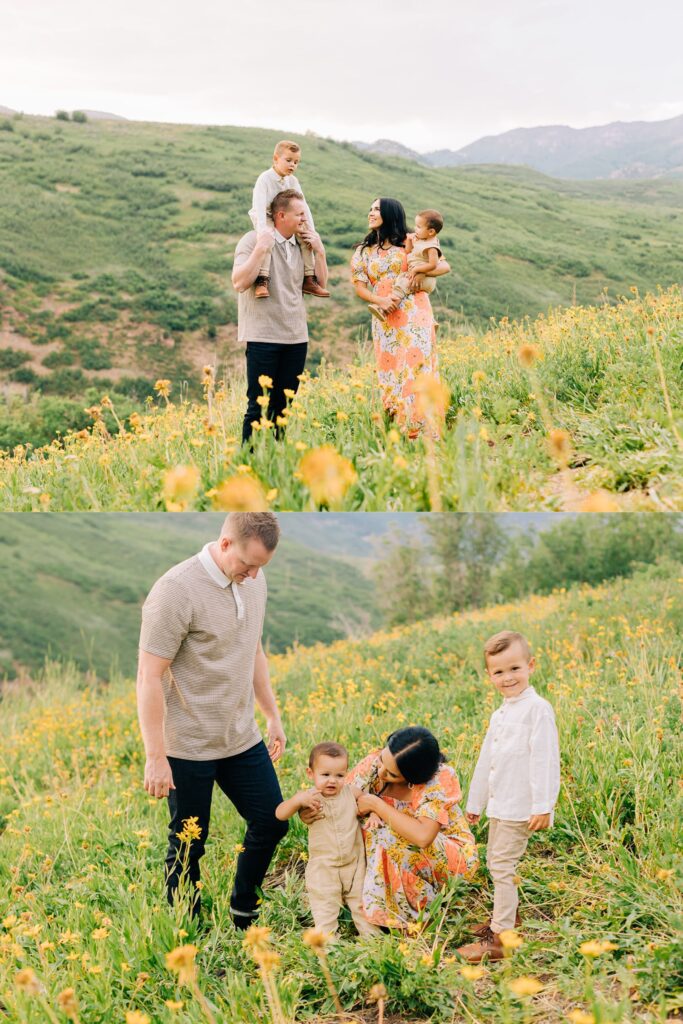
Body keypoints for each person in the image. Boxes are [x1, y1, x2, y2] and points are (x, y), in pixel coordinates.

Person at [136, 512, 288, 929]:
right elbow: (148, 675)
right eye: (247, 564)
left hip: (241, 737)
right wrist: (156, 756)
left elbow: (253, 650)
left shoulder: (253, 579)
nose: (254, 575)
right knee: (189, 844)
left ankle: (243, 908)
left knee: (271, 821)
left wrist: (272, 715)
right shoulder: (175, 591)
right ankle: (187, 928)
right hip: (187, 747)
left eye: (262, 567)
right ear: (225, 545)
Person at [456, 630, 560, 963]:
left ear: (530, 666)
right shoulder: (500, 714)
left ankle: (500, 939)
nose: (507, 677)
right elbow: (487, 761)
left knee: (501, 865)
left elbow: (545, 759)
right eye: (499, 672)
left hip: (521, 806)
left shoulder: (537, 710)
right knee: (496, 862)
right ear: (489, 676)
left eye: (514, 668)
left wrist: (544, 806)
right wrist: (476, 803)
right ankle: (508, 917)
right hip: (500, 804)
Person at [325, 727, 478, 930]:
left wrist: (376, 805)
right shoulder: (375, 763)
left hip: (451, 859)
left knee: (383, 831)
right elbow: (342, 800)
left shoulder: (438, 780)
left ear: (414, 777)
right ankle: (372, 902)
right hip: (398, 850)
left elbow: (423, 836)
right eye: (382, 760)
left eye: (392, 774)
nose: (381, 772)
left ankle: (415, 917)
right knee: (366, 827)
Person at [233, 189, 329, 444]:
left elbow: (319, 282)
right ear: (281, 215)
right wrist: (261, 250)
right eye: (299, 215)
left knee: (283, 407)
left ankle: (275, 462)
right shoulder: (252, 240)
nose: (304, 220)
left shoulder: (302, 245)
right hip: (263, 336)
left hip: (296, 338)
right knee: (258, 407)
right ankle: (249, 465)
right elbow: (239, 282)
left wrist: (320, 251)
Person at [350, 198, 450, 435]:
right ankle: (399, 425)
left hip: (415, 309)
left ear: (390, 213)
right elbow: (359, 286)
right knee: (391, 367)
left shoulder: (412, 240)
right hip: (384, 314)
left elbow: (444, 266)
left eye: (377, 209)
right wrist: (379, 300)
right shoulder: (363, 250)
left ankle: (423, 427)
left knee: (417, 363)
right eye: (370, 208)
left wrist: (418, 271)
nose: (371, 212)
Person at [276, 742, 379, 938]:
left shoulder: (351, 792)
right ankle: (328, 946)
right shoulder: (309, 798)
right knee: (325, 907)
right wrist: (297, 801)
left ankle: (372, 940)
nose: (332, 781)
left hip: (354, 864)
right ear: (310, 773)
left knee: (361, 904)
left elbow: (369, 800)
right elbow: (280, 814)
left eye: (339, 775)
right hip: (324, 866)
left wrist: (374, 813)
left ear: (346, 774)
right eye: (325, 775)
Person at [248, 139, 329, 299]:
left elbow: (303, 206)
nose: (292, 165)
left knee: (306, 238)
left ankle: (309, 278)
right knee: (268, 239)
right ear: (276, 159)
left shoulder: (293, 181)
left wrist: (311, 230)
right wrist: (262, 230)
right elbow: (258, 205)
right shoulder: (264, 179)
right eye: (288, 160)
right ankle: (262, 280)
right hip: (265, 215)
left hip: (287, 216)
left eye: (296, 162)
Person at [368, 209, 444, 323]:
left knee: (402, 285)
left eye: (418, 227)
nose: (415, 229)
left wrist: (418, 271)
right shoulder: (420, 240)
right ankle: (431, 321)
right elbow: (408, 251)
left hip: (426, 279)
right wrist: (409, 240)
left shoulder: (431, 246)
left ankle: (385, 310)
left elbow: (433, 264)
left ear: (431, 232)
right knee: (401, 282)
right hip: (416, 274)